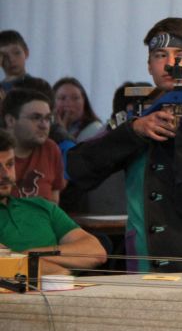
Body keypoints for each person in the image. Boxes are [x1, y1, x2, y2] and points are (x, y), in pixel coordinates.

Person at [67, 17, 182, 272]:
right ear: (149, 65)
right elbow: (77, 168)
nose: (170, 64)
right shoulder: (135, 121)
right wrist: (134, 131)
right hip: (142, 263)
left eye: (181, 55)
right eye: (160, 55)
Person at [0, 130, 106, 274]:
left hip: (66, 286)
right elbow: (7, 265)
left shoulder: (40, 206)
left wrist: (32, 255)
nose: (6, 174)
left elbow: (96, 252)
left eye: (10, 164)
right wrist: (56, 270)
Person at [2, 88, 65, 203]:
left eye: (48, 118)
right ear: (10, 120)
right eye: (36, 118)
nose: (44, 125)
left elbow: (54, 203)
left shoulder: (50, 149)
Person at [52, 77, 104, 142]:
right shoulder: (45, 128)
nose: (69, 104)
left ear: (84, 101)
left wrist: (63, 134)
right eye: (62, 98)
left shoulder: (95, 129)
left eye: (75, 98)